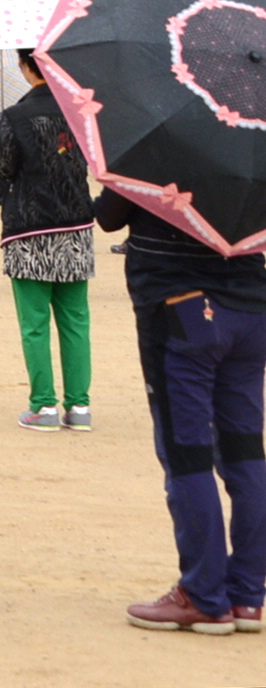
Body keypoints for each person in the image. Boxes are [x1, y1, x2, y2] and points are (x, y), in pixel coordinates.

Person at [96, 168, 266, 632]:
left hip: (184, 306)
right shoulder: (251, 139)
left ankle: (204, 594)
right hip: (251, 305)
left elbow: (107, 217)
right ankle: (249, 593)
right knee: (245, 447)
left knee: (186, 452)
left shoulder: (159, 143)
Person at [0, 51, 94, 434]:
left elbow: (4, 170)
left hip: (29, 227)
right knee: (76, 319)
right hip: (76, 224)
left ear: (27, 67)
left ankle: (43, 405)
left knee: (35, 323)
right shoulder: (81, 112)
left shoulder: (13, 116)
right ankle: (79, 406)